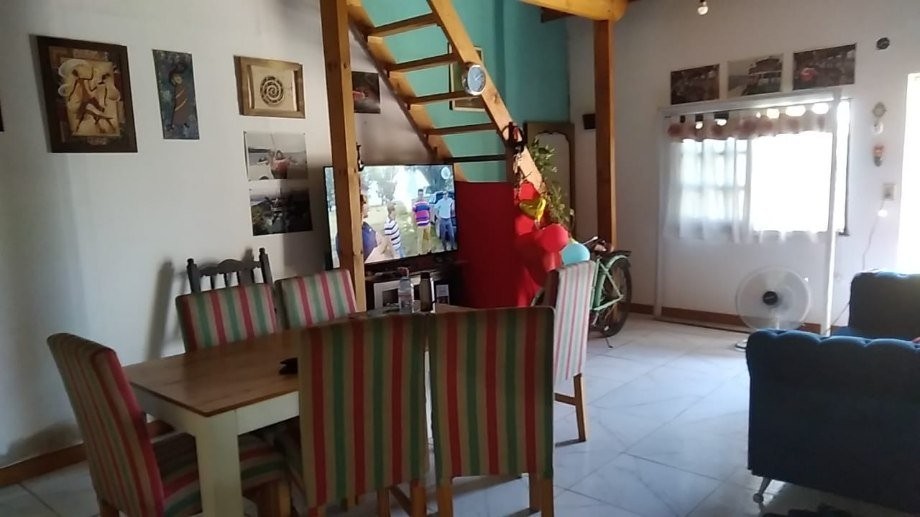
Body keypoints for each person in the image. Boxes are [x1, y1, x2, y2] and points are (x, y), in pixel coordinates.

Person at [413, 188, 431, 254]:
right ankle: (420, 252)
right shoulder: (415, 204)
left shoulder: (426, 203)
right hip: (420, 226)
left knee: (428, 238)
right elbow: (413, 214)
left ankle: (429, 250)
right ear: (418, 195)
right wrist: (415, 223)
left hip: (427, 224)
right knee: (420, 240)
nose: (421, 196)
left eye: (422, 194)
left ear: (423, 195)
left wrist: (429, 221)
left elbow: (429, 212)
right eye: (419, 194)